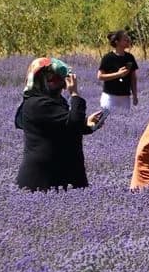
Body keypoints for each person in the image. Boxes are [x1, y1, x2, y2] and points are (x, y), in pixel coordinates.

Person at [15, 57, 105, 191]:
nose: (63, 84)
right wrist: (74, 94)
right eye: (56, 79)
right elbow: (72, 123)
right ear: (42, 80)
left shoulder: (54, 101)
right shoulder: (37, 103)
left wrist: (86, 124)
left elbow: (64, 127)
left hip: (64, 175)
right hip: (43, 179)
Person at [95, 29, 138, 115]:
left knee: (125, 120)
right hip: (110, 97)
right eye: (125, 39)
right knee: (106, 120)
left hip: (125, 97)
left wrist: (135, 95)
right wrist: (118, 74)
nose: (128, 41)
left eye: (128, 39)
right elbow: (100, 76)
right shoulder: (108, 58)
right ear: (117, 42)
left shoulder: (130, 57)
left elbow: (133, 78)